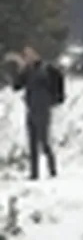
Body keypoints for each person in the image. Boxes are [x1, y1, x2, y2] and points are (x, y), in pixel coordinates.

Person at [5, 47, 59, 180]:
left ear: (36, 54)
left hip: (43, 108)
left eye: (30, 55)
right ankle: (34, 173)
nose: (28, 57)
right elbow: (17, 86)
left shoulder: (45, 69)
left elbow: (51, 82)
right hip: (31, 108)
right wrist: (19, 69)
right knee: (32, 143)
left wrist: (53, 100)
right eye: (25, 55)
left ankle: (52, 170)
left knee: (44, 141)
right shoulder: (27, 71)